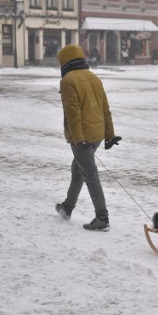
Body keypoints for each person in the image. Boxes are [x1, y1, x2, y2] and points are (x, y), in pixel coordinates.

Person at [54, 44, 122, 232]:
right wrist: (109, 135)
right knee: (78, 169)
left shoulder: (68, 80)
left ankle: (102, 217)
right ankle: (67, 207)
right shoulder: (93, 77)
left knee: (90, 174)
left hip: (81, 136)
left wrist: (77, 138)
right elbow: (105, 108)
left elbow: (73, 113)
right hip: (97, 134)